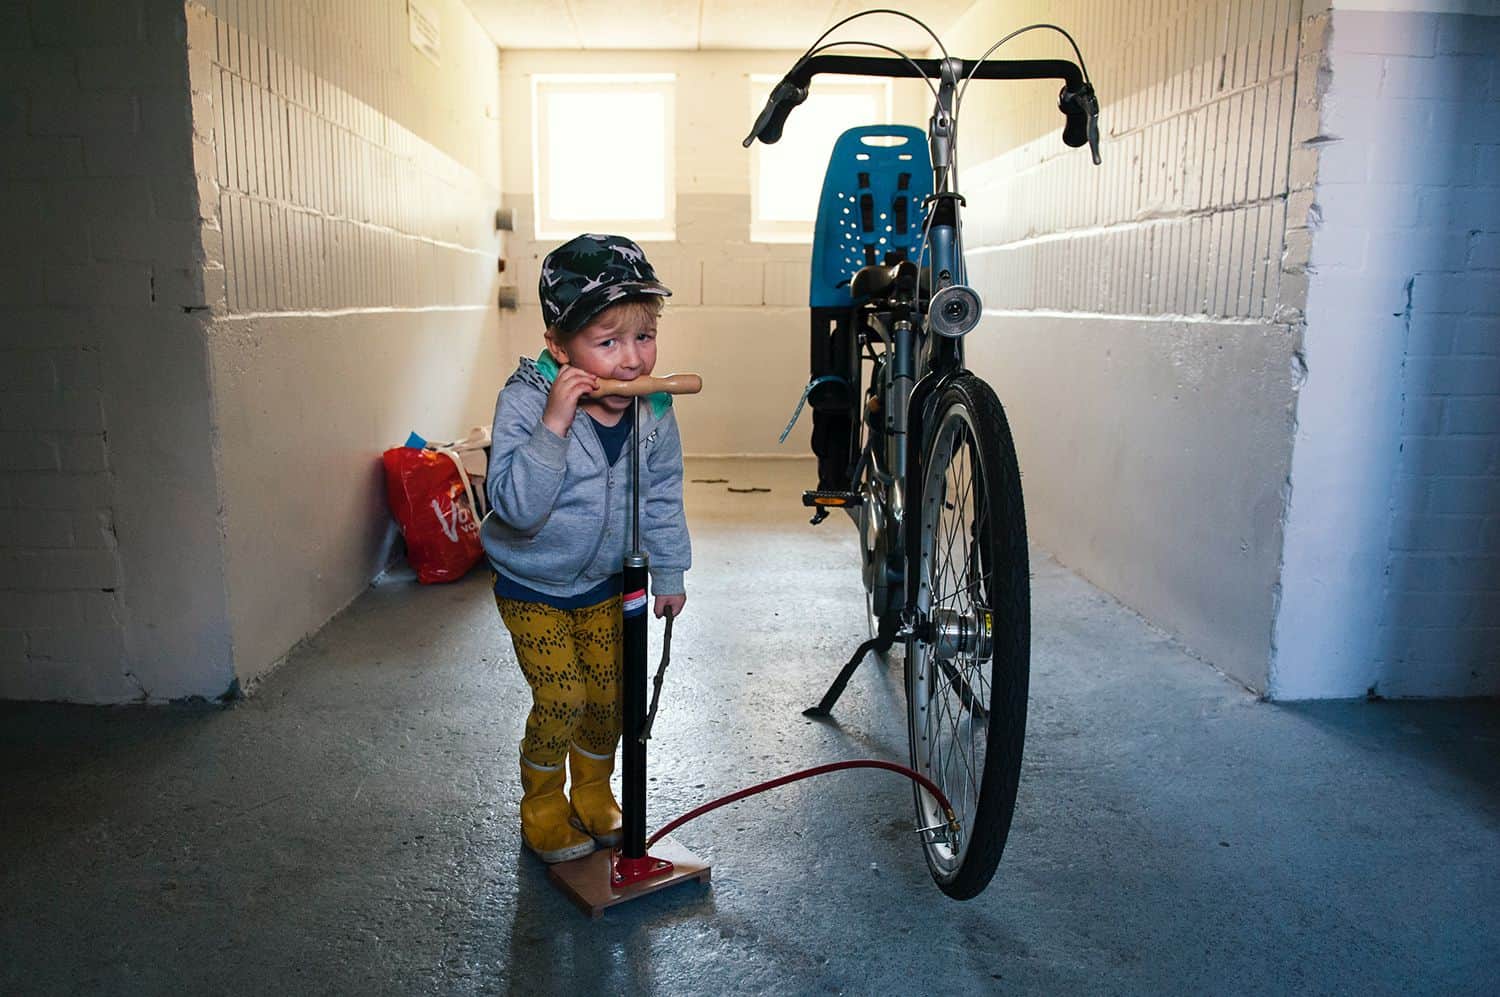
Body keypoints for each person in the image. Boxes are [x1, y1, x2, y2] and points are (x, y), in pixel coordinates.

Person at [483, 233, 690, 864]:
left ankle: (595, 792)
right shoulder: (523, 403)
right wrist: (554, 422)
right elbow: (515, 507)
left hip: (606, 580)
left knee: (609, 699)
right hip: (534, 585)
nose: (631, 359)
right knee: (563, 698)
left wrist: (670, 571)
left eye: (644, 336)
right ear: (559, 346)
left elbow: (661, 494)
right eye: (608, 342)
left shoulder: (653, 408)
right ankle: (544, 804)